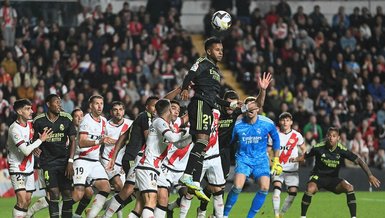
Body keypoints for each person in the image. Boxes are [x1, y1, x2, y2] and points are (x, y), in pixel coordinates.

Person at [179, 37, 239, 200]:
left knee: (202, 144)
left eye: (222, 49)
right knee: (202, 141)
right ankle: (187, 176)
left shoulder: (215, 70)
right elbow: (190, 73)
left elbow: (214, 97)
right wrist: (185, 87)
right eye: (217, 49)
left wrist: (230, 105)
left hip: (207, 105)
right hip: (199, 104)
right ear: (208, 51)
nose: (221, 52)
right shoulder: (202, 62)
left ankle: (190, 177)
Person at [293, 127, 381, 218]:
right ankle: (302, 216)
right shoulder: (318, 147)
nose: (331, 138)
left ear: (338, 138)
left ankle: (354, 217)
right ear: (327, 136)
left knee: (349, 188)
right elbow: (306, 156)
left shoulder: (341, 149)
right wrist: (295, 159)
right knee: (310, 188)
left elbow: (359, 161)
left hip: (333, 179)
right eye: (329, 136)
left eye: (334, 136)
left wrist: (370, 175)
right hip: (318, 177)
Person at [223, 98, 282, 218]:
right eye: (248, 106)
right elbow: (228, 143)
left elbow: (276, 139)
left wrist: (276, 160)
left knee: (265, 187)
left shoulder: (267, 123)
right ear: (244, 109)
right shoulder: (237, 125)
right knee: (238, 187)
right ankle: (224, 215)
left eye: (253, 106)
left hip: (261, 160)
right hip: (243, 159)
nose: (250, 109)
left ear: (258, 109)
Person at [103, 96, 159, 218]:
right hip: (134, 159)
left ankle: (105, 207)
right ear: (147, 107)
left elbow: (123, 137)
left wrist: (114, 156)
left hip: (136, 159)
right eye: (153, 106)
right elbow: (149, 140)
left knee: (138, 197)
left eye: (157, 106)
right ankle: (105, 215)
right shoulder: (145, 117)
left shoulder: (141, 119)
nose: (155, 109)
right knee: (129, 191)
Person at [135, 99, 192, 218]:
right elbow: (173, 138)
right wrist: (185, 133)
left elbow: (179, 144)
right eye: (173, 108)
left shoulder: (166, 125)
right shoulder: (159, 122)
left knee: (163, 198)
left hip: (156, 167)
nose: (175, 111)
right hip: (148, 165)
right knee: (150, 200)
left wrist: (193, 137)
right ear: (168, 110)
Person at [31, 94, 76, 218]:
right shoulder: (39, 121)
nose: (59, 105)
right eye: (56, 102)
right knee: (54, 193)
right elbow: (33, 140)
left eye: (60, 102)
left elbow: (73, 141)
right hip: (48, 162)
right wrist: (35, 147)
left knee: (67, 193)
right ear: (48, 104)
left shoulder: (66, 118)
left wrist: (70, 162)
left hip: (64, 162)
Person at [7, 99, 51, 218]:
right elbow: (26, 151)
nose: (31, 111)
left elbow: (29, 144)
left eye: (31, 108)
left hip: (29, 168)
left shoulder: (31, 124)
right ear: (19, 111)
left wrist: (34, 147)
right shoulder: (14, 129)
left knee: (27, 201)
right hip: (17, 167)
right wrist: (40, 141)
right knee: (21, 200)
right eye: (28, 109)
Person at [72, 95, 114, 218]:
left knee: (105, 188)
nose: (100, 106)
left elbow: (107, 139)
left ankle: (90, 216)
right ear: (91, 105)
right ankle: (59, 212)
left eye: (101, 103)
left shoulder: (104, 121)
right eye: (97, 103)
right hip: (82, 160)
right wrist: (99, 142)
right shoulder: (86, 120)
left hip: (95, 161)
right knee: (79, 194)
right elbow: (81, 142)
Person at [100, 101, 133, 218]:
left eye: (120, 109)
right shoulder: (105, 126)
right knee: (119, 186)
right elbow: (100, 143)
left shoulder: (130, 124)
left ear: (124, 111)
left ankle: (102, 207)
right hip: (108, 160)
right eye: (115, 109)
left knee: (127, 194)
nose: (118, 112)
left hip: (122, 162)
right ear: (111, 112)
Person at [270, 112, 306, 218]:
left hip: (292, 168)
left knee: (293, 194)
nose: (285, 122)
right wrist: (273, 162)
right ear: (280, 122)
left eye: (287, 120)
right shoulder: (275, 134)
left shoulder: (297, 135)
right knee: (277, 189)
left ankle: (282, 213)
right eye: (283, 120)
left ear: (291, 122)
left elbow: (304, 149)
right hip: (278, 167)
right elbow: (268, 150)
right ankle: (276, 215)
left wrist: (301, 158)